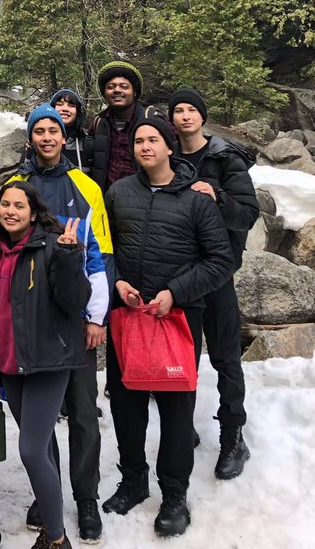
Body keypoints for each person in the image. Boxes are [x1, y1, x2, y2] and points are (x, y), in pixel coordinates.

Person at [102, 115, 234, 538]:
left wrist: (175, 292)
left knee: (177, 411)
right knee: (126, 404)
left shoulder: (196, 200)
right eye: (138, 140)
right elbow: (104, 250)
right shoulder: (119, 193)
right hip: (129, 315)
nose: (144, 146)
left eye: (152, 139)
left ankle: (174, 496)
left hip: (177, 317)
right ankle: (134, 481)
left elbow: (219, 261)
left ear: (169, 146)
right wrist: (116, 281)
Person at [0, 105, 112, 544]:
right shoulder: (16, 186)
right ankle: (48, 497)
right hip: (32, 326)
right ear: (29, 138)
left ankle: (85, 498)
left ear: (65, 137)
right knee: (36, 423)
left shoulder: (85, 185)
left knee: (82, 411)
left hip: (75, 320)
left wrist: (96, 317)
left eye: (54, 131)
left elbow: (99, 255)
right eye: (39, 131)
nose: (47, 137)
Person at [0, 180, 91, 549]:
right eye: (5, 205)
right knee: (41, 448)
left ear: (33, 211)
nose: (10, 211)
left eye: (19, 205)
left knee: (30, 449)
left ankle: (57, 538)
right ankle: (51, 523)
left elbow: (75, 299)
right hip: (10, 362)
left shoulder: (51, 245)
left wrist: (69, 256)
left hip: (47, 360)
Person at [169, 86, 258, 480]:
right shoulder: (166, 157)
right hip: (182, 276)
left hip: (218, 273)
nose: (185, 115)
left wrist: (216, 194)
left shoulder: (226, 158)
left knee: (225, 357)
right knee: (182, 360)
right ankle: (181, 429)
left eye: (192, 109)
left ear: (203, 116)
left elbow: (247, 216)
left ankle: (233, 435)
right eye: (178, 110)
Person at [85, 61, 147, 194]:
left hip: (143, 202)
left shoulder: (152, 120)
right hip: (107, 200)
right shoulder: (98, 123)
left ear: (134, 92)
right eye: (111, 86)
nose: (117, 90)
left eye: (124, 86)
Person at [50, 89, 91, 174]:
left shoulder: (88, 143)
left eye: (71, 105)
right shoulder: (39, 142)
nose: (65, 109)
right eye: (59, 104)